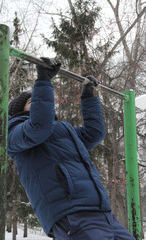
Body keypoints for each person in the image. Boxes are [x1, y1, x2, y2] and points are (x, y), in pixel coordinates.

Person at [8, 58, 136, 240]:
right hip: (70, 213)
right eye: (32, 101)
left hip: (102, 211)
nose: (37, 102)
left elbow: (94, 134)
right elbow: (39, 126)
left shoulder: (62, 130)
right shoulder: (15, 134)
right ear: (19, 110)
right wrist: (43, 81)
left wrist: (88, 97)